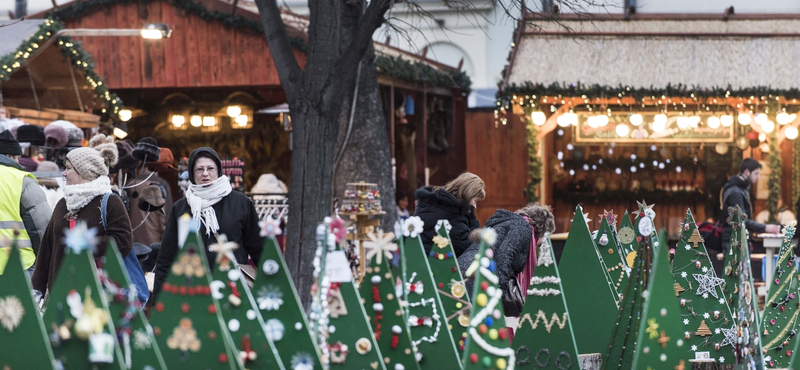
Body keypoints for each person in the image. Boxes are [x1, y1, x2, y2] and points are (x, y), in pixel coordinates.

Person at [152, 147, 264, 303]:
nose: (205, 173)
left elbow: (259, 248)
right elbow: (166, 256)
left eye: (210, 168)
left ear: (218, 171)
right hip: (191, 290)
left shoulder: (241, 203)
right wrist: (159, 301)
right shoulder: (181, 208)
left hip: (233, 290)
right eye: (199, 169)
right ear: (192, 173)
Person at [31, 134, 132, 297]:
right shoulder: (63, 203)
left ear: (84, 171)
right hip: (59, 291)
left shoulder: (110, 202)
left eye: (68, 168)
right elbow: (47, 250)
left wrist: (87, 244)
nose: (63, 173)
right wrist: (37, 289)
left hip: (96, 294)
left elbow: (124, 241)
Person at [457, 204, 555, 301]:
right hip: (476, 275)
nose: (543, 242)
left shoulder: (511, 223)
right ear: (543, 230)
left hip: (468, 269)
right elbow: (504, 257)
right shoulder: (522, 227)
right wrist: (500, 294)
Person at [0, 130, 51, 274]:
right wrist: (45, 262)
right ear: (9, 156)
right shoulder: (21, 180)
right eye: (17, 158)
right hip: (17, 265)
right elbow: (42, 226)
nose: (18, 162)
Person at [414, 172, 485, 256]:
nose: (475, 206)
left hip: (417, 258)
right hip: (433, 264)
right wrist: (472, 219)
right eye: (475, 200)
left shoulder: (432, 202)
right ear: (468, 195)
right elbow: (467, 248)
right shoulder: (454, 214)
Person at [720, 158, 781, 253]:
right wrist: (765, 228)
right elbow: (741, 220)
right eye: (756, 173)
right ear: (747, 172)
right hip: (735, 241)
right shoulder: (736, 191)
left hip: (737, 239)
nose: (758, 177)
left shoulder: (740, 188)